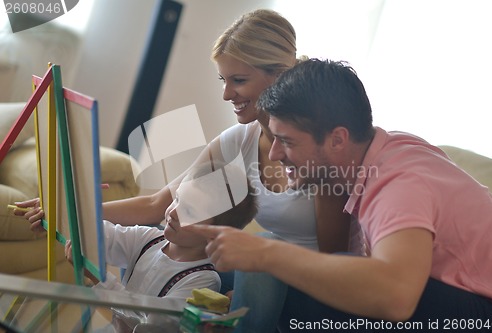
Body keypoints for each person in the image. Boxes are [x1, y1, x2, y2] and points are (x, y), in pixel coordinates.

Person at [15, 9, 361, 333]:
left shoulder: (319, 149)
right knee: (187, 264)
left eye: (238, 80)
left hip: (309, 288)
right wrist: (71, 214)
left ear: (280, 76)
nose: (227, 94)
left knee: (247, 255)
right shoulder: (237, 141)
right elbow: (158, 205)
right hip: (253, 276)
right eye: (223, 79)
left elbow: (333, 264)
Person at [188, 58, 492, 332]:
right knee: (264, 282)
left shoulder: (399, 181)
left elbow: (397, 295)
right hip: (462, 303)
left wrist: (266, 254)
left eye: (287, 141)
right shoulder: (385, 151)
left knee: (291, 281)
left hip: (486, 314)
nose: (276, 154)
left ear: (338, 139)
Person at [61, 160, 257, 331]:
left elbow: (149, 324)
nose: (172, 212)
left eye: (189, 211)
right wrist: (83, 205)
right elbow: (100, 236)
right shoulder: (148, 239)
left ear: (214, 234)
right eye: (177, 199)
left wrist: (99, 278)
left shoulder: (202, 280)